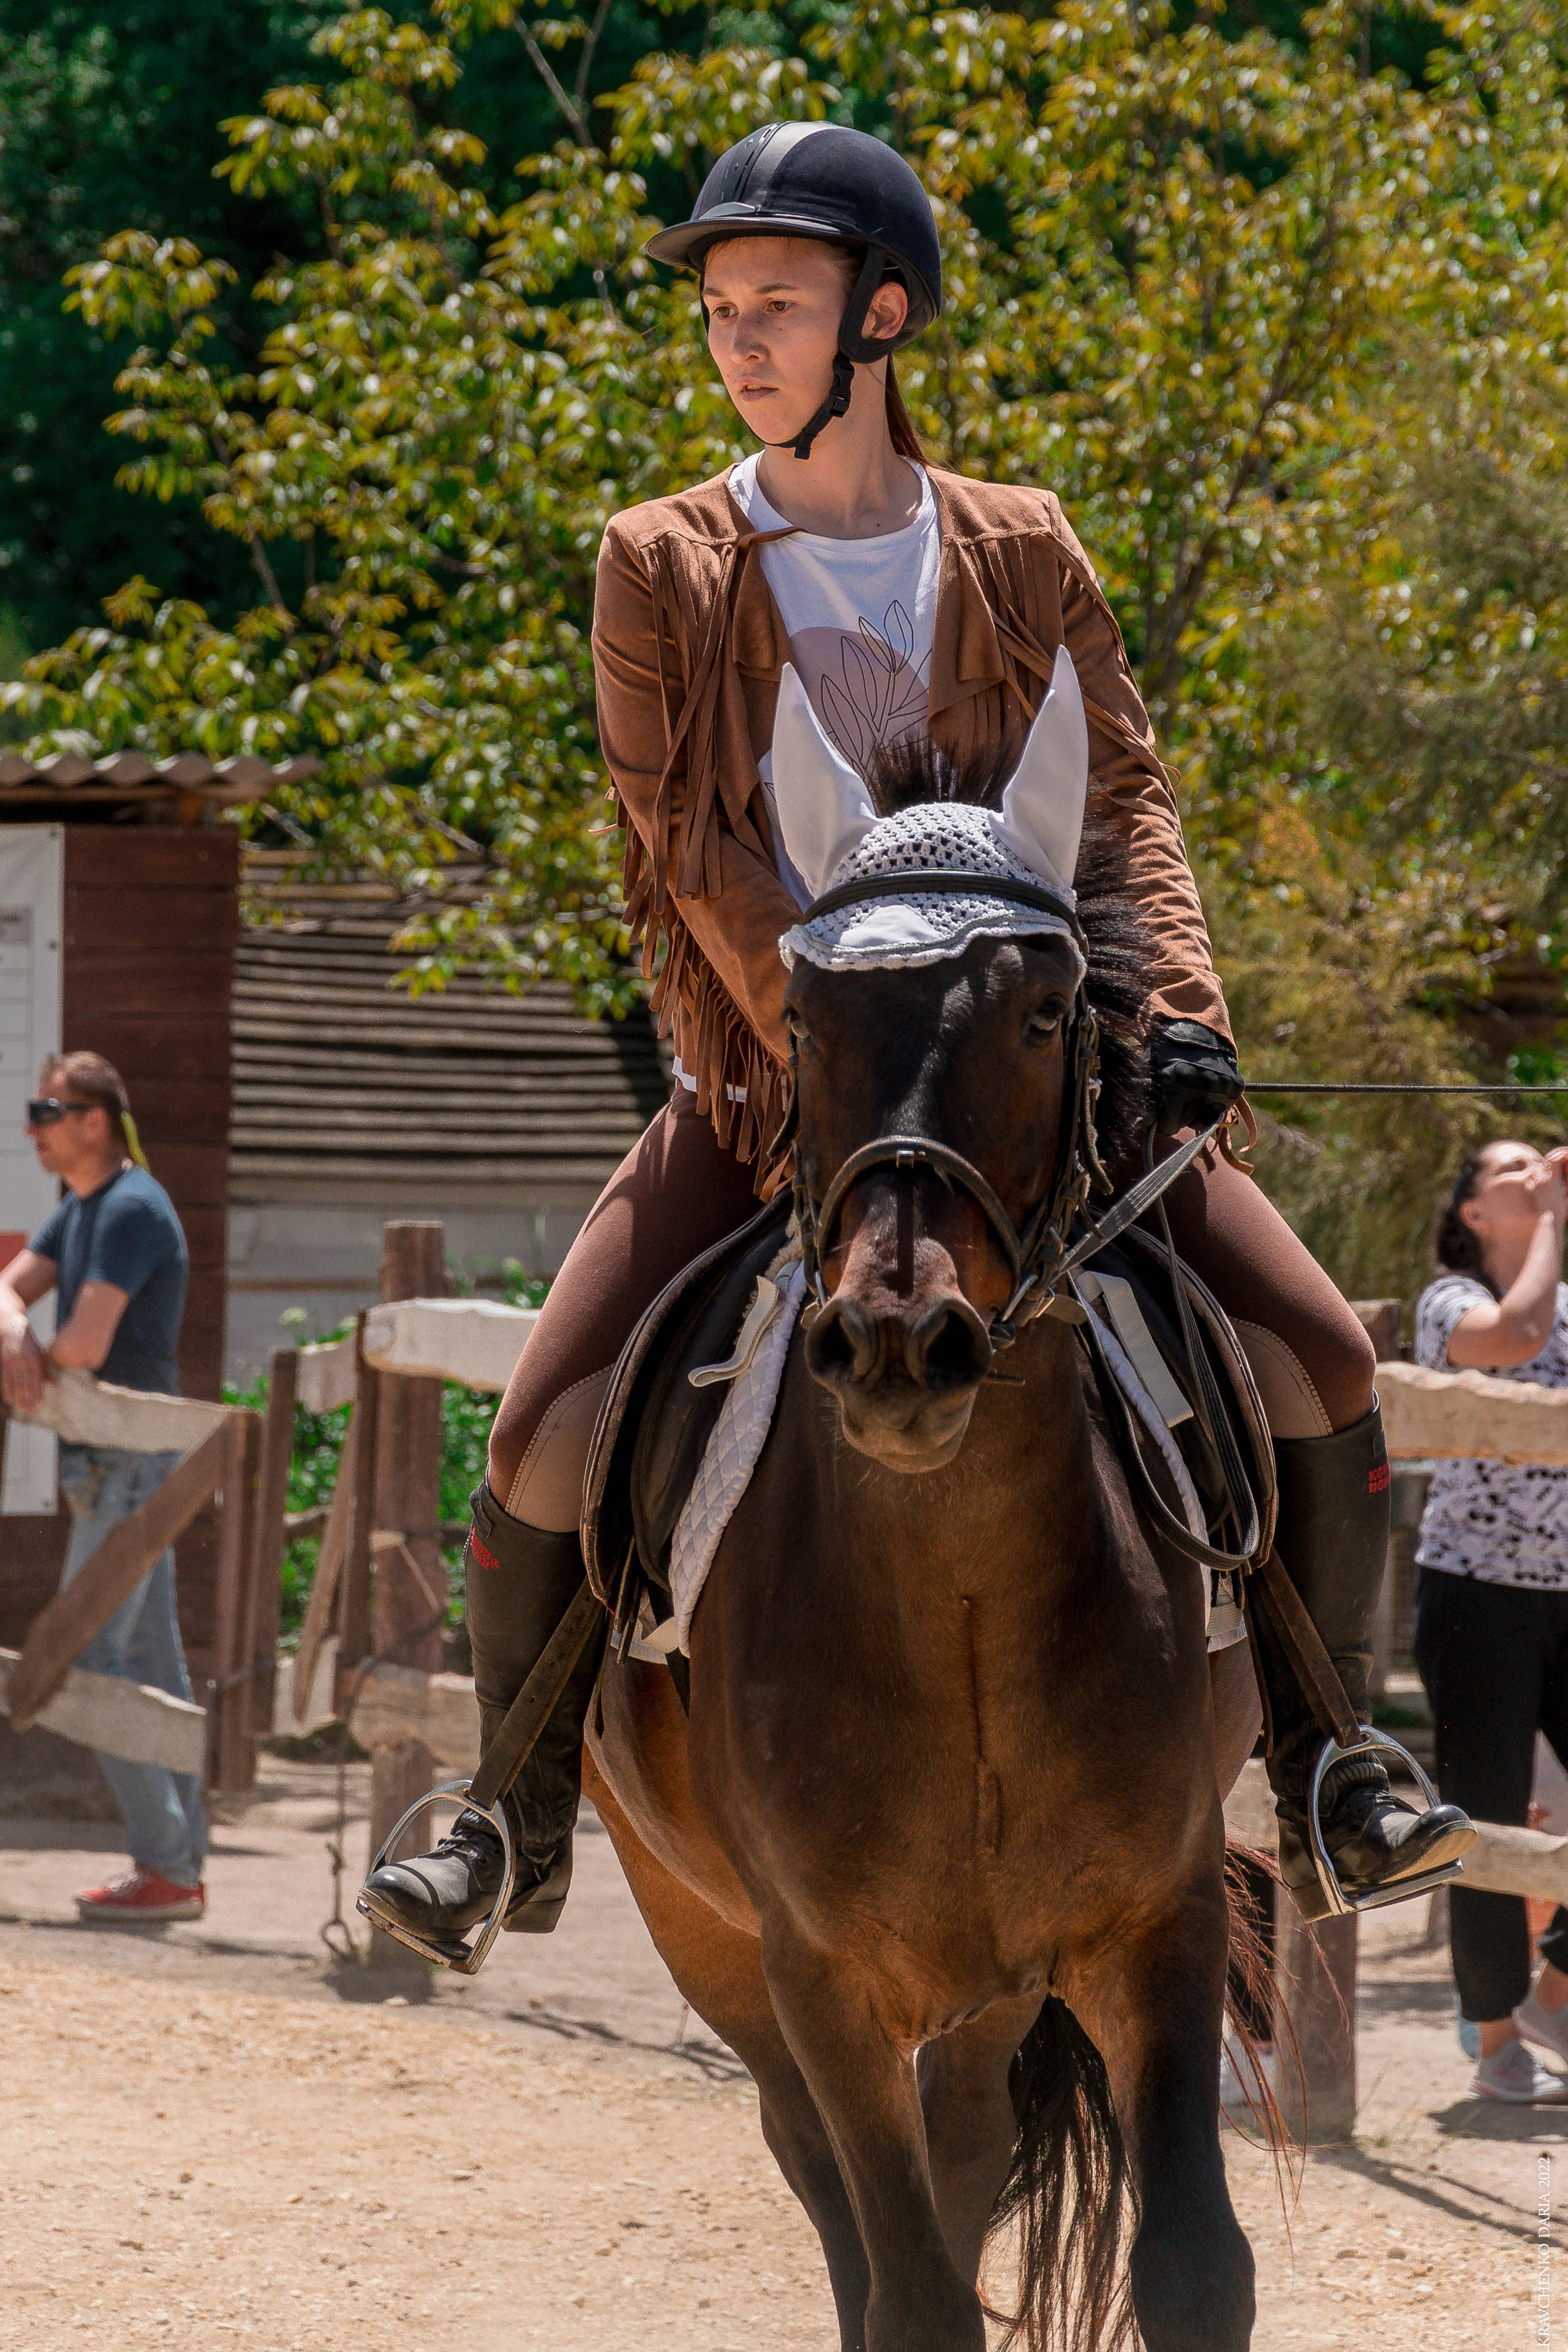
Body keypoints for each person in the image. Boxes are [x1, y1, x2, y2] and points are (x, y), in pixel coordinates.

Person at [361, 123, 1470, 1958]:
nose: (738, 341)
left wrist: (1179, 1025)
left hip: (1042, 1088)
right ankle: (513, 1810)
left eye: (777, 304)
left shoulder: (1024, 548)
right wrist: (844, 1044)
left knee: (1315, 1353)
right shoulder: (662, 564)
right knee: (549, 1432)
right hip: (784, 1075)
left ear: (882, 315)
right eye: (721, 311)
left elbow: (1123, 808)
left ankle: (1341, 1758)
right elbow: (687, 847)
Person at [0, 1051, 203, 1923]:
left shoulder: (128, 1208)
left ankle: (166, 1867)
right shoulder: (82, 1207)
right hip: (113, 1466)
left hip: (132, 1468)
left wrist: (24, 1347)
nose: (33, 1127)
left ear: (96, 1119)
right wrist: (12, 1328)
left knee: (93, 1658)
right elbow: (11, 1288)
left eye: (48, 1110)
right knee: (153, 1665)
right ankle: (180, 1871)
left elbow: (82, 1343)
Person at [1412, 1140, 1568, 2103]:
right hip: (1476, 1599)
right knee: (1488, 1815)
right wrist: (1553, 1213)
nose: (1533, 1169)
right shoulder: (1449, 1304)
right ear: (1475, 1213)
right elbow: (1511, 1338)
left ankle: (1554, 1989)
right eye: (1509, 1168)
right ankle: (1497, 2039)